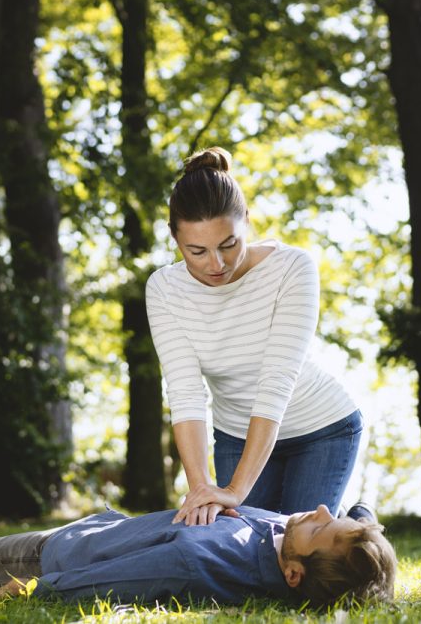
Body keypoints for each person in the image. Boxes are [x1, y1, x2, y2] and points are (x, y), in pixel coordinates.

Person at [147, 147, 362, 526]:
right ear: (174, 239)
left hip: (321, 429)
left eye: (228, 244)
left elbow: (275, 381)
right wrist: (201, 490)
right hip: (236, 435)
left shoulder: (292, 268)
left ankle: (355, 519)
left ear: (246, 220)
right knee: (242, 548)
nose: (216, 265)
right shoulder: (165, 289)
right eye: (197, 251)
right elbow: (185, 393)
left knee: (294, 552)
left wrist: (234, 491)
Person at [0, 504, 396, 608]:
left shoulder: (206, 563)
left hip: (48, 560)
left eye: (323, 527)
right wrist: (363, 527)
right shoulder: (274, 546)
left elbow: (128, 580)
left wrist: (40, 591)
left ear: (293, 573)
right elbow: (354, 528)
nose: (317, 511)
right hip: (89, 532)